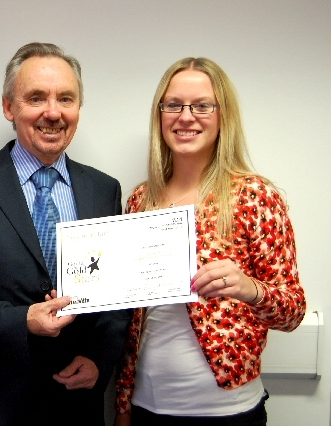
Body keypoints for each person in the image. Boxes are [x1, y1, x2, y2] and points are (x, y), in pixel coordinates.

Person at [0, 42, 130, 426]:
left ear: (78, 109)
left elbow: (116, 295)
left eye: (65, 99)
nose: (52, 112)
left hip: (77, 405)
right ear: (9, 107)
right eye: (36, 97)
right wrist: (23, 320)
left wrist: (100, 359)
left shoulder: (104, 189)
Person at [114, 57, 306, 426]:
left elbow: (293, 311)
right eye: (173, 105)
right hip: (147, 407)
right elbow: (133, 318)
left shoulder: (254, 196)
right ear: (160, 115)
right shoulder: (140, 200)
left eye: (202, 105)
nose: (186, 117)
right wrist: (123, 403)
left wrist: (250, 289)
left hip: (227, 412)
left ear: (223, 116)